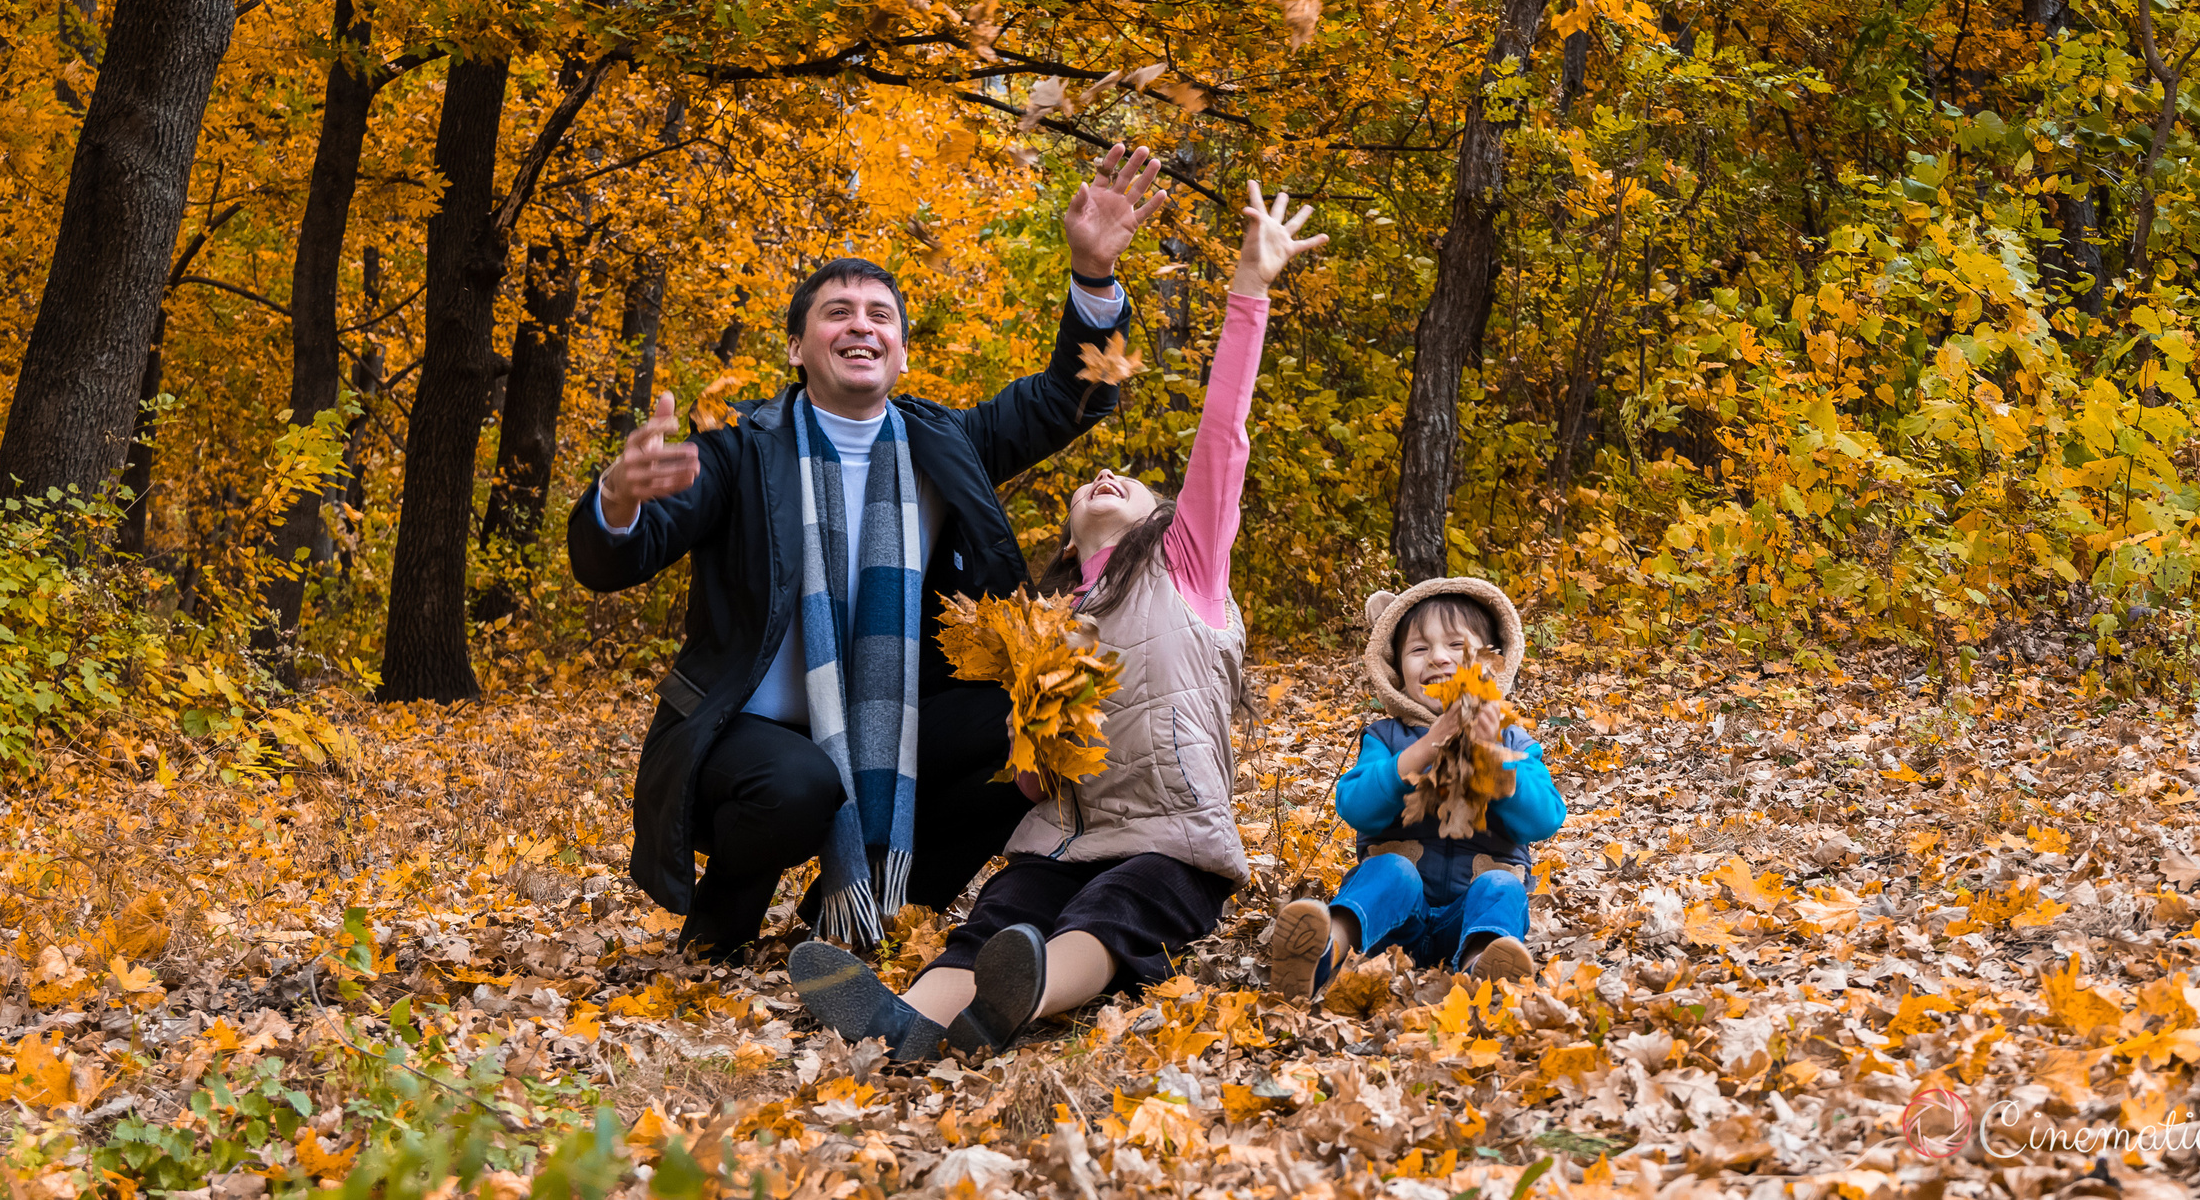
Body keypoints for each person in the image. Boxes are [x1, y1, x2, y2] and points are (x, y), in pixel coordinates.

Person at [566, 145, 1169, 960]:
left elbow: (1078, 395)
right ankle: (724, 915)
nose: (861, 324)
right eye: (838, 311)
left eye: (880, 314)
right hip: (751, 737)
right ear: (797, 348)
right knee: (799, 786)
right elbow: (615, 560)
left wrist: (1094, 276)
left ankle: (842, 924)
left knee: (1029, 731)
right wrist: (617, 499)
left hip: (900, 718)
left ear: (902, 352)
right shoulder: (742, 451)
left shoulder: (944, 443)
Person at [789, 181, 1325, 1060]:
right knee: (999, 915)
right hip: (1061, 839)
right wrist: (1032, 730)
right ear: (1066, 536)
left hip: (1170, 840)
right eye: (1089, 481)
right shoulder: (1043, 622)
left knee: (1110, 918)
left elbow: (1222, 436)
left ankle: (1024, 996)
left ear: (1164, 515)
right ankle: (907, 1022)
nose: (1106, 473)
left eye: (1130, 479)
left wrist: (1249, 289)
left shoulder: (1186, 568)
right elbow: (1034, 785)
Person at [1267, 577, 1565, 997]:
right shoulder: (1387, 738)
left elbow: (1544, 818)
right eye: (1419, 649)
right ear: (1395, 668)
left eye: (1457, 647)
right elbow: (1356, 805)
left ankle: (1486, 966)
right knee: (1392, 870)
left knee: (1501, 887)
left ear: (1491, 663)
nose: (1438, 659)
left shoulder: (1512, 741)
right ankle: (1322, 951)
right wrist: (1424, 749)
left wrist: (1490, 758)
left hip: (1467, 921)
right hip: (1391, 924)